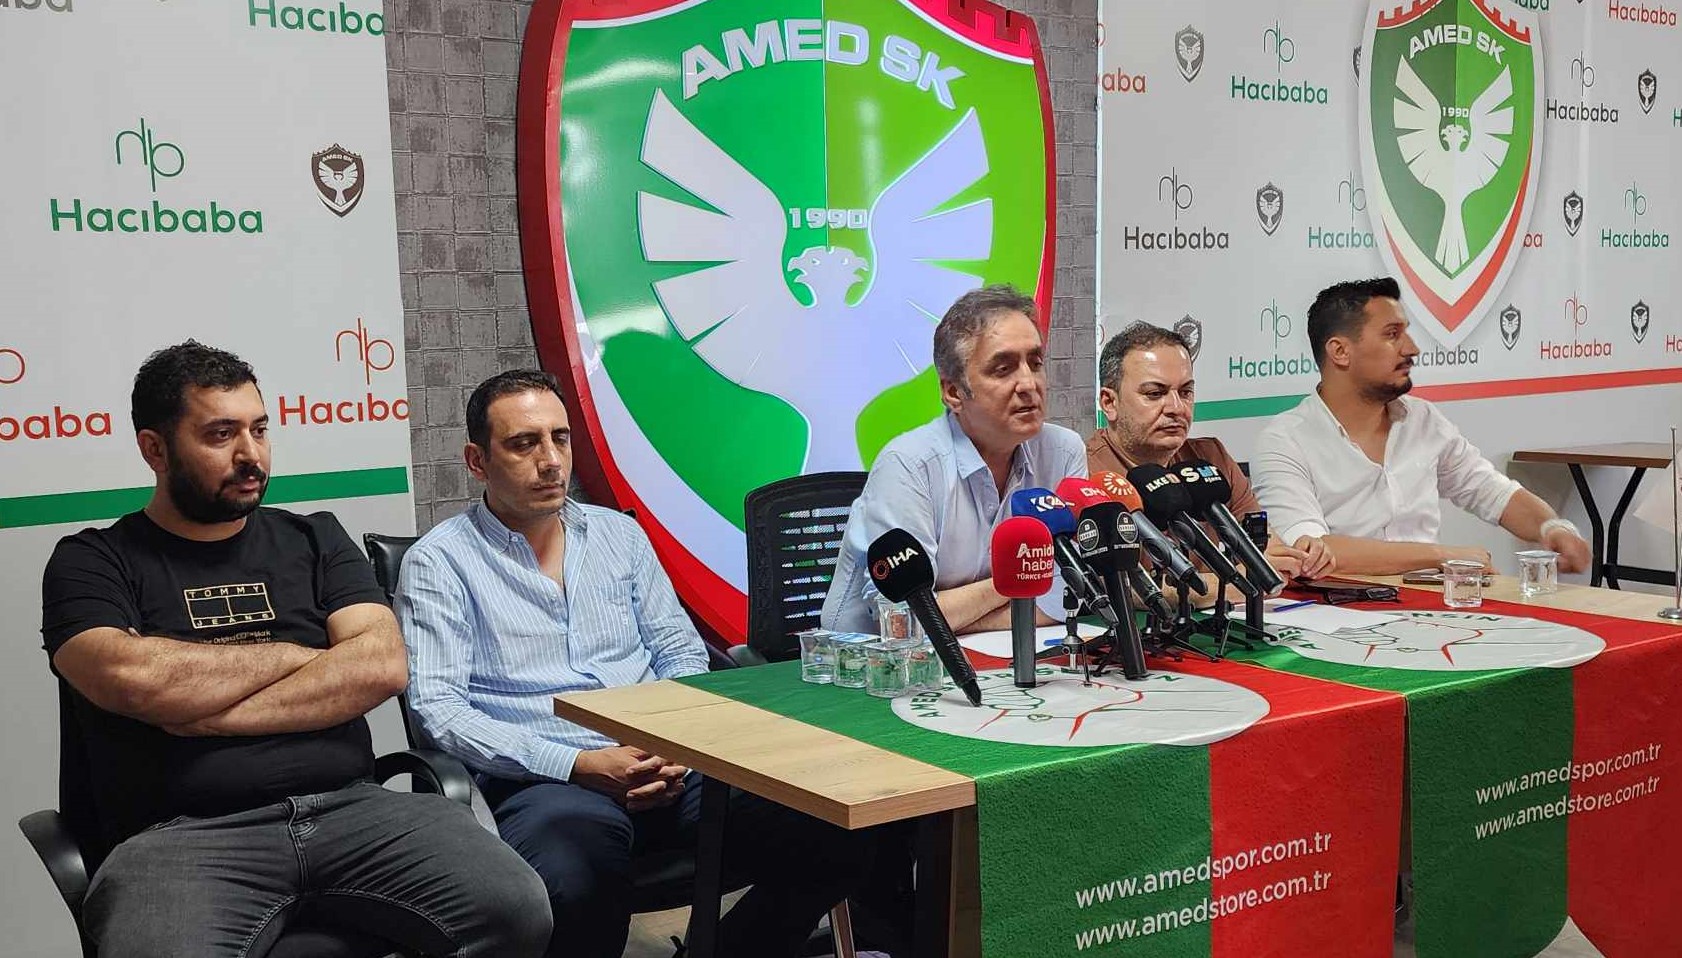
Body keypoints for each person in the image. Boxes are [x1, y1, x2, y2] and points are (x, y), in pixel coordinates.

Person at [39, 341, 550, 958]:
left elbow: (382, 665)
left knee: (516, 907)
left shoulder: (315, 538)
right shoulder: (92, 561)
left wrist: (199, 709)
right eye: (221, 434)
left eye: (258, 430)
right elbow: (133, 680)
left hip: (354, 812)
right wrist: (301, 656)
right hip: (184, 839)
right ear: (155, 449)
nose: (250, 454)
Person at [397, 369, 870, 958]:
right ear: (477, 461)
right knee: (576, 876)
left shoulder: (619, 536)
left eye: (560, 438)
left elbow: (679, 652)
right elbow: (440, 712)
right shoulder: (440, 562)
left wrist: (676, 744)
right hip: (548, 779)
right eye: (524, 444)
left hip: (670, 761)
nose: (551, 461)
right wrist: (578, 764)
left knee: (840, 825)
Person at [1253, 278, 1592, 575]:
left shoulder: (1422, 419)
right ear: (1340, 351)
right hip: (1336, 611)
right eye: (1392, 335)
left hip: (1434, 603)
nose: (1412, 349)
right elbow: (1308, 551)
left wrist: (1553, 528)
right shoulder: (1285, 441)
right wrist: (1442, 557)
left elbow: (1491, 491)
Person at [822, 284, 1087, 635]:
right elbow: (901, 621)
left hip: (1000, 653)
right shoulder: (909, 465)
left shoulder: (1063, 451)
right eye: (1003, 369)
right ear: (953, 392)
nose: (1028, 383)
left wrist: (957, 616)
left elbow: (1071, 592)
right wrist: (1019, 578)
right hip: (871, 662)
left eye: (1035, 363)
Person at [1088, 322, 1336, 584]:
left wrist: (1302, 557)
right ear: (1109, 402)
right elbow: (1120, 592)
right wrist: (1244, 579)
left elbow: (1268, 555)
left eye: (1185, 392)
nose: (1176, 407)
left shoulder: (1211, 457)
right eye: (1155, 394)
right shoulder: (1084, 474)